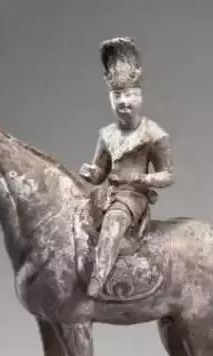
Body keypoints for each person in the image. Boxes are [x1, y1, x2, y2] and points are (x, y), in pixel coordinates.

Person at [79, 37, 174, 298]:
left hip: (132, 198)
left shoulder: (153, 134)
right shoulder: (107, 134)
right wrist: (92, 174)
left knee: (114, 221)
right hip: (106, 195)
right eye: (117, 95)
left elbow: (168, 175)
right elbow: (101, 172)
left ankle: (99, 277)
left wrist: (142, 178)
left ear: (139, 96)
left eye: (130, 95)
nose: (124, 102)